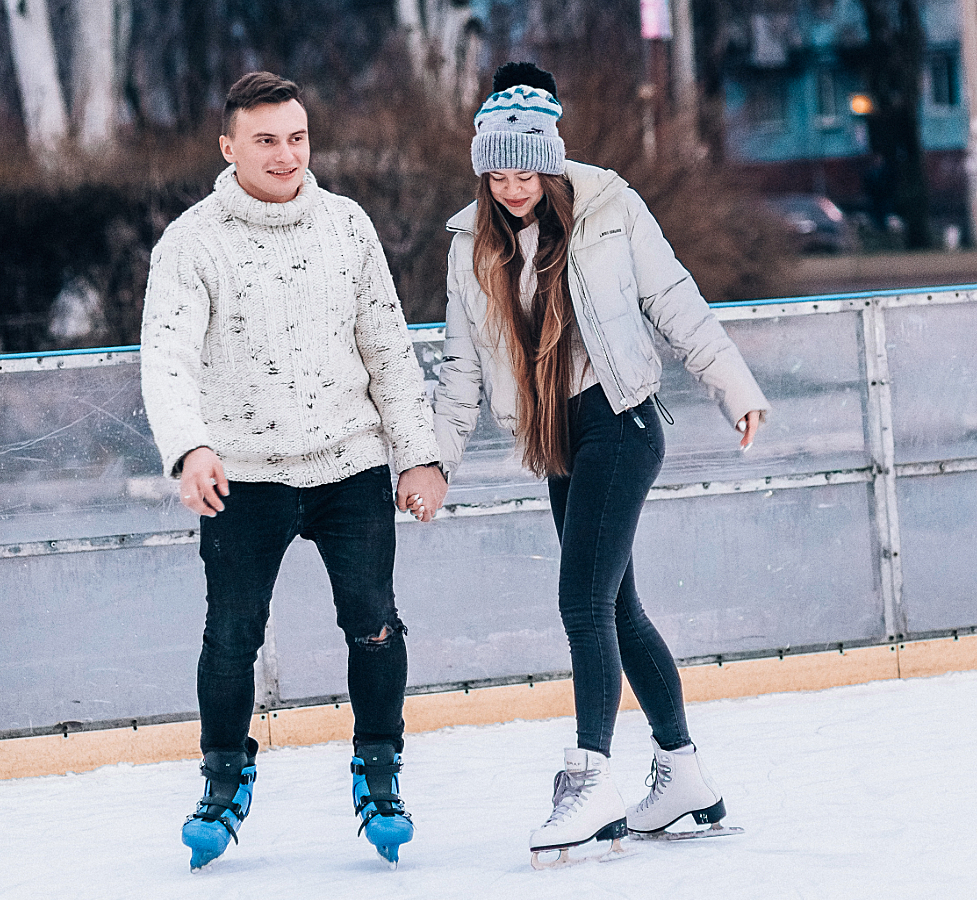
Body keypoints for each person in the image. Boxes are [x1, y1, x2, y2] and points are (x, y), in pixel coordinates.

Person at [427, 62, 770, 866]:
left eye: (527, 169)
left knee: (582, 601)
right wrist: (433, 462)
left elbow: (673, 298)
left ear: (551, 157)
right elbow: (458, 369)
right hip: (557, 437)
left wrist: (734, 387)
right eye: (496, 171)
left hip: (621, 420)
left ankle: (591, 779)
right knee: (616, 611)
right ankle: (683, 771)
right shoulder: (467, 242)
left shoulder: (610, 205)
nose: (513, 187)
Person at [139, 71, 447, 870]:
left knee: (375, 624)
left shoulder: (346, 225)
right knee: (231, 635)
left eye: (297, 138)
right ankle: (223, 778)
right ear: (229, 146)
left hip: (350, 466)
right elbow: (167, 359)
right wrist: (190, 447)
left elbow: (388, 347)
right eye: (267, 140)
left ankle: (379, 773)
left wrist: (418, 454)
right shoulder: (192, 241)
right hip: (243, 474)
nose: (285, 154)